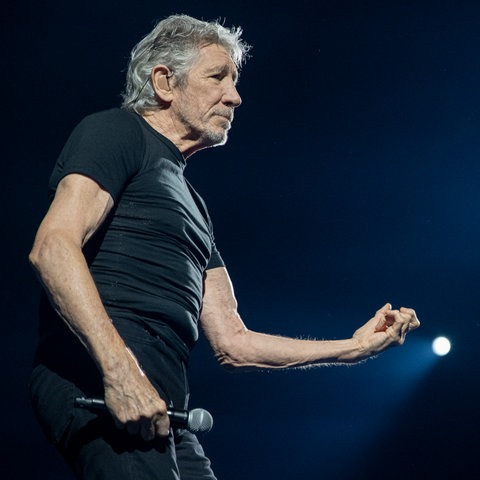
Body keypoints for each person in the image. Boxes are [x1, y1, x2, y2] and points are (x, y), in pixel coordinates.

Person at [28, 13, 420, 480]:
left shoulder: (194, 205)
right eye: (218, 77)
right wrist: (120, 371)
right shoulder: (116, 132)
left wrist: (351, 348)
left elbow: (234, 343)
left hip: (162, 408)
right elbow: (53, 247)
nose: (235, 96)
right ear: (164, 82)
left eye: (235, 82)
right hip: (98, 383)